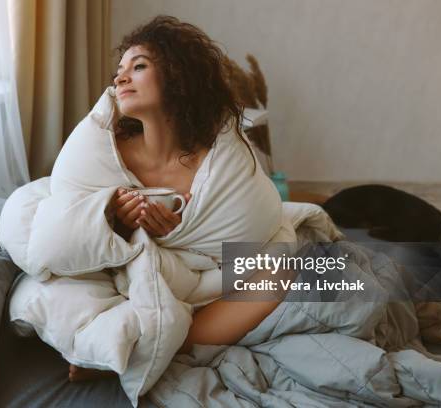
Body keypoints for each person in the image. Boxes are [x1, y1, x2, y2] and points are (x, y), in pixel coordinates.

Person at [69, 15, 283, 382]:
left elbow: (239, 220)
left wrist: (183, 229)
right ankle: (124, 342)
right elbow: (77, 217)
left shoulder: (216, 156)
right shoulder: (110, 152)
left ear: (176, 77)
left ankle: (156, 347)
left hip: (201, 272)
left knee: (283, 272)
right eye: (119, 70)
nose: (120, 78)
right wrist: (117, 223)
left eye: (138, 67)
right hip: (132, 269)